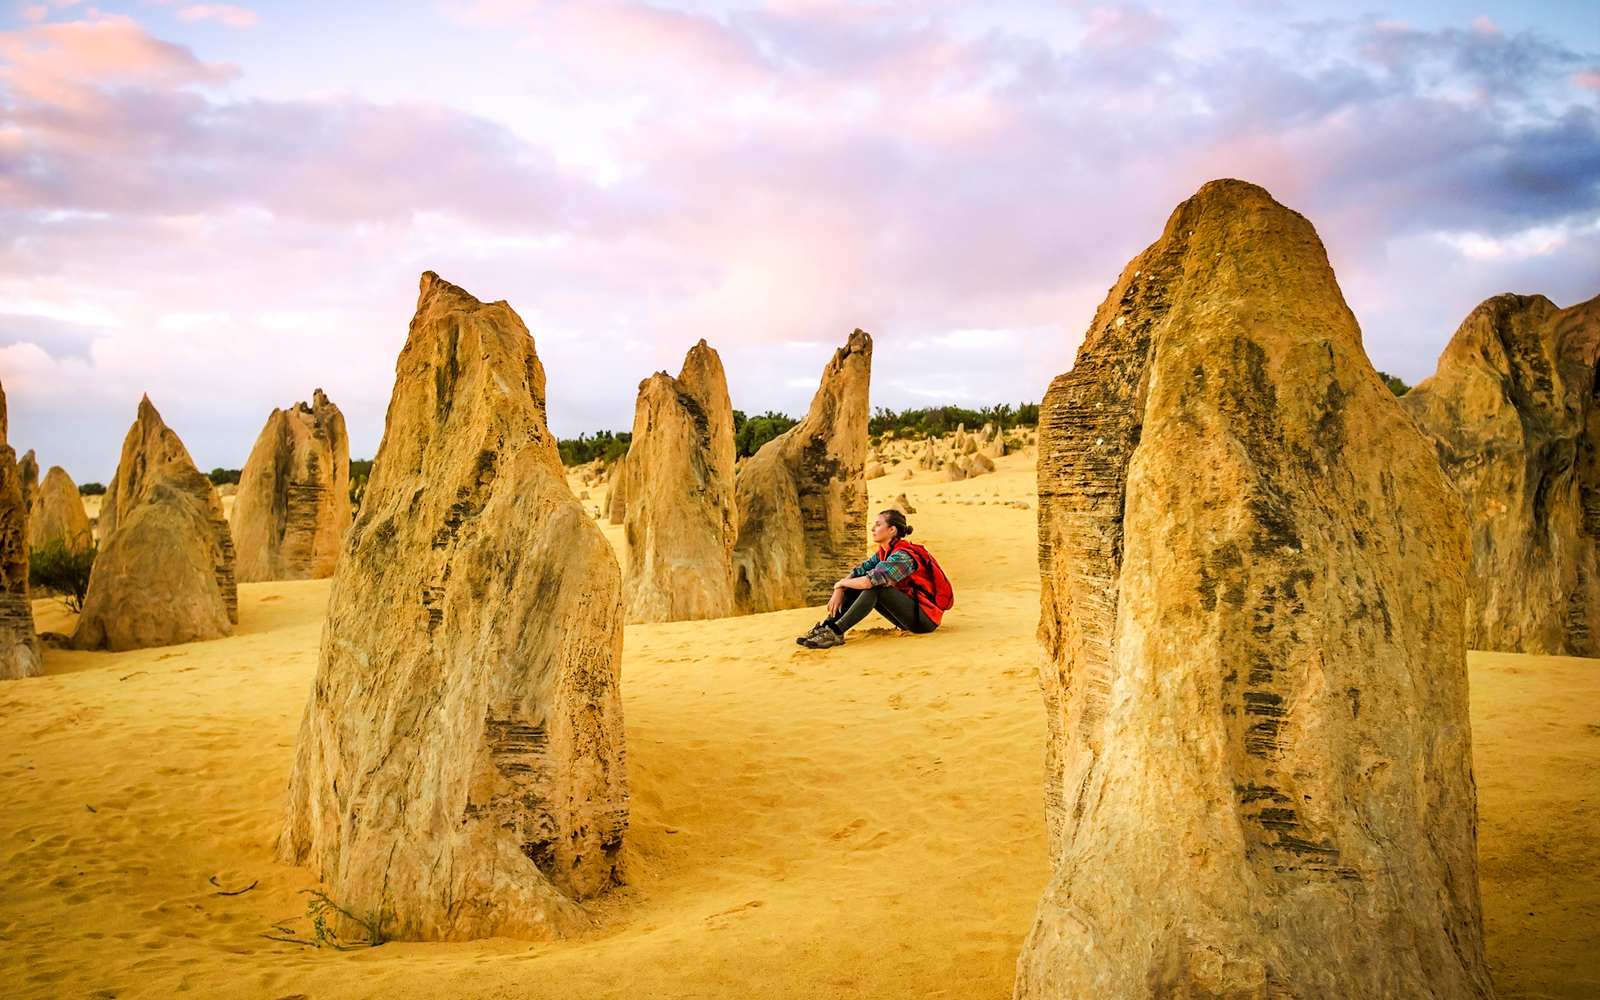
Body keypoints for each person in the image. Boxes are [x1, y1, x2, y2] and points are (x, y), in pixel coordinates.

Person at [796, 508, 941, 649]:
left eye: (878, 525)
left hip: (924, 620)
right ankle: (827, 627)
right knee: (857, 583)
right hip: (908, 615)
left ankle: (836, 632)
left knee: (876, 588)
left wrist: (839, 584)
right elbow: (860, 571)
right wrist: (841, 587)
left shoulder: (903, 557)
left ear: (892, 530)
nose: (872, 528)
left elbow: (869, 581)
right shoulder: (885, 552)